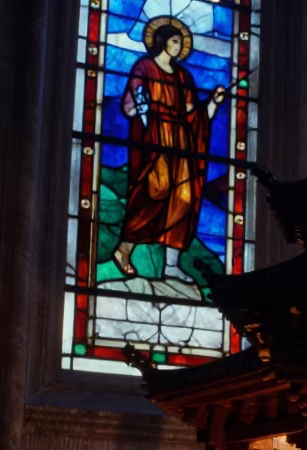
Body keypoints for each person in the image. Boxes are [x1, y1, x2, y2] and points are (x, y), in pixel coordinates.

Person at [111, 16, 226, 286]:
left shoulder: (184, 76)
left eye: (180, 43)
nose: (179, 46)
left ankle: (172, 267)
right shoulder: (144, 68)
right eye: (175, 41)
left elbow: (193, 115)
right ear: (163, 42)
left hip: (181, 144)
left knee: (182, 201)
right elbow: (129, 107)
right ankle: (124, 249)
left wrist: (213, 103)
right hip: (156, 141)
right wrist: (144, 109)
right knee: (152, 194)